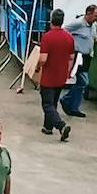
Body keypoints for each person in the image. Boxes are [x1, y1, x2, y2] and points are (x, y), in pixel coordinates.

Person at [35, 9, 76, 142]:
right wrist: (68, 73)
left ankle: (61, 126)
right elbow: (71, 57)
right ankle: (48, 127)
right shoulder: (69, 37)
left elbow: (43, 59)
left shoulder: (47, 37)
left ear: (51, 20)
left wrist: (37, 67)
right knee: (53, 102)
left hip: (48, 76)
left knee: (47, 104)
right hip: (61, 75)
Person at [61, 5, 97, 118]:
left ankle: (73, 107)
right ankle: (67, 100)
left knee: (81, 83)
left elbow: (94, 38)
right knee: (84, 81)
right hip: (79, 56)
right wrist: (72, 43)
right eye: (95, 16)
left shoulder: (93, 25)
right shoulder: (79, 23)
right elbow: (64, 30)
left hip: (88, 56)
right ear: (88, 14)